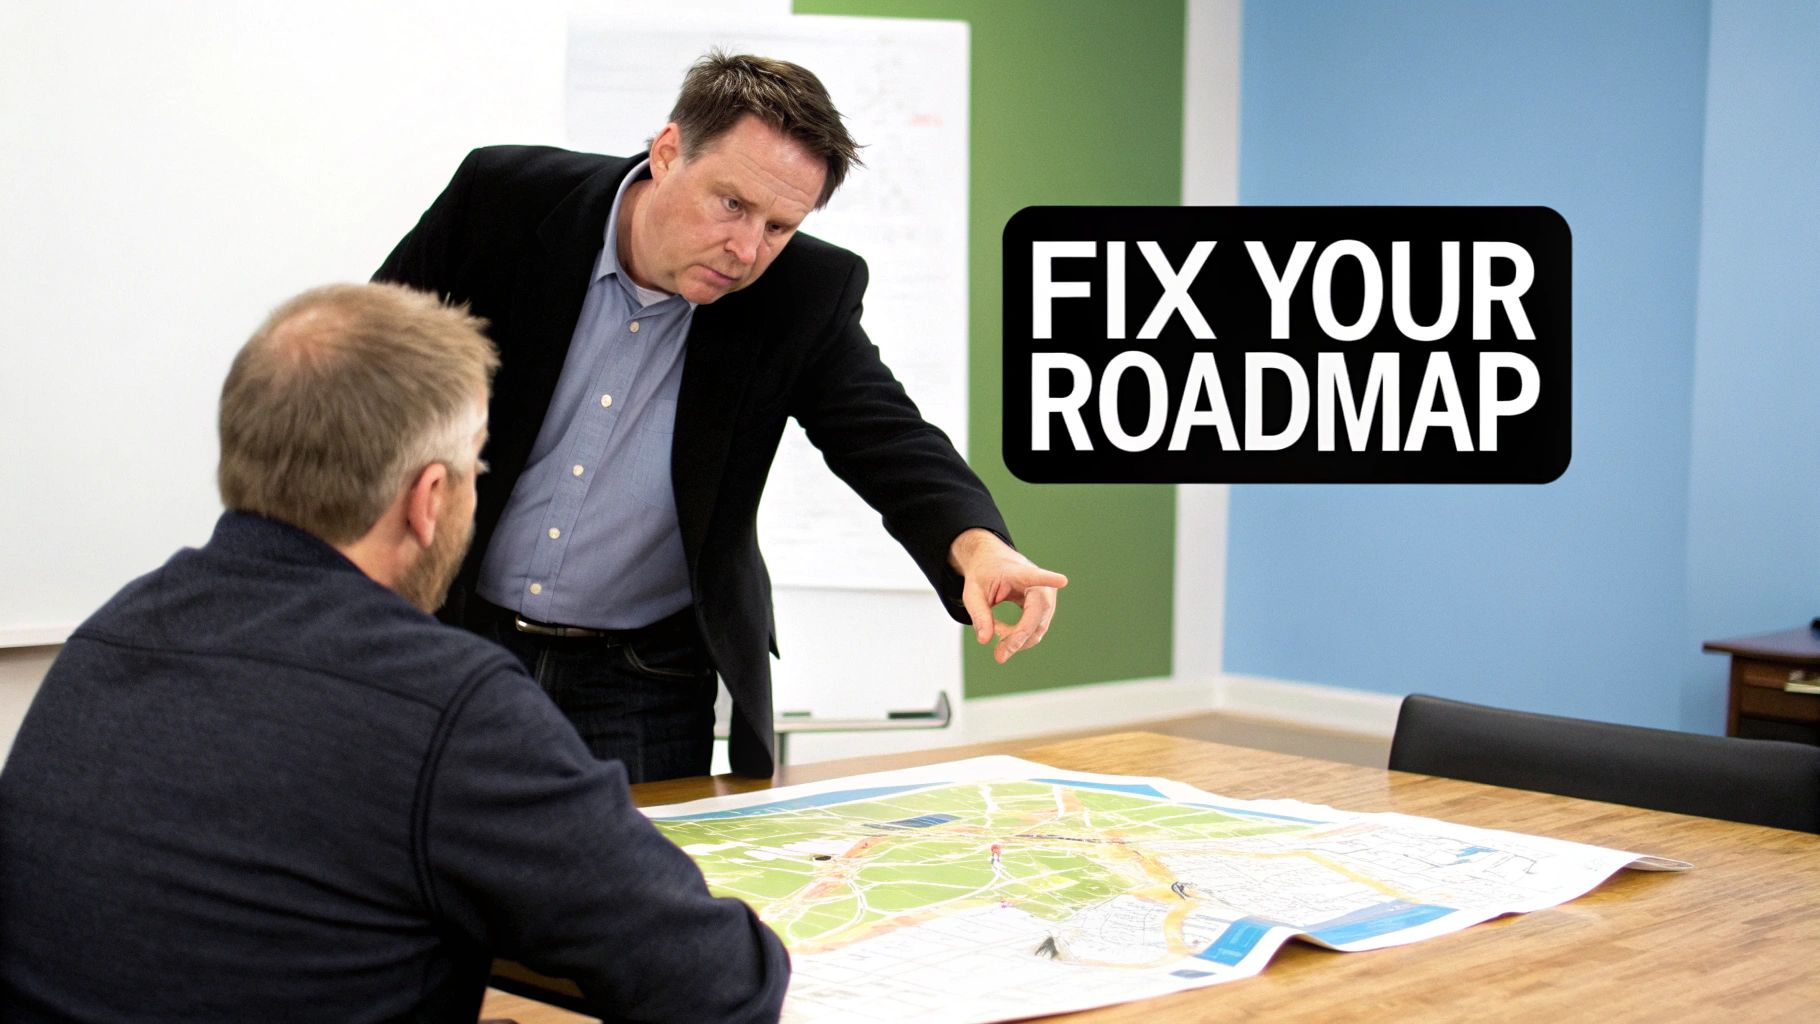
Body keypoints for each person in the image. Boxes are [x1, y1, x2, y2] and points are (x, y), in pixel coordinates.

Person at [0, 284, 789, 1023]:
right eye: (476, 466)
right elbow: (716, 981)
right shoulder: (447, 703)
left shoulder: (113, 635)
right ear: (428, 498)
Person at [376, 51, 1067, 782]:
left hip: (643, 678)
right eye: (731, 204)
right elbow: (363, 369)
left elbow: (885, 435)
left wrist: (978, 546)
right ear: (667, 152)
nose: (746, 251)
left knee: (640, 857)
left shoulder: (802, 292)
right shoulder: (504, 200)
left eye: (779, 226)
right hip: (460, 634)